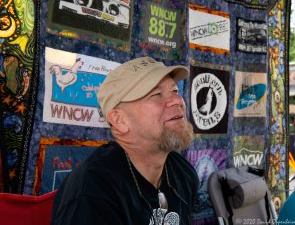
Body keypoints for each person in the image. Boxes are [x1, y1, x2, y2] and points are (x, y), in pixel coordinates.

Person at [51, 56, 199, 225]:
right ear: (119, 120)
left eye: (175, 91)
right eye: (157, 94)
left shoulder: (184, 174)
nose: (177, 101)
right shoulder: (92, 193)